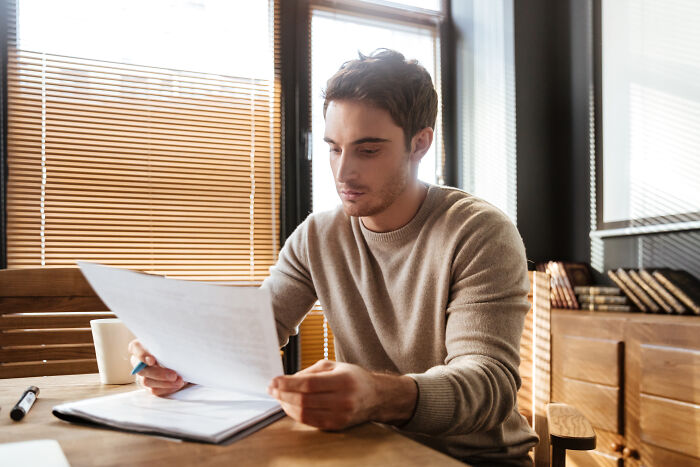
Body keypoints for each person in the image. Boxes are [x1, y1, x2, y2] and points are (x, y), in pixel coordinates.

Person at [129, 49, 539, 466]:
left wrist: (379, 395)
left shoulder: (479, 232)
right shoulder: (317, 235)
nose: (343, 173)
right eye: (333, 149)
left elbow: (489, 383)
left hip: (475, 460)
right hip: (365, 451)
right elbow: (253, 331)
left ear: (420, 143)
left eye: (368, 150)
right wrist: (176, 358)